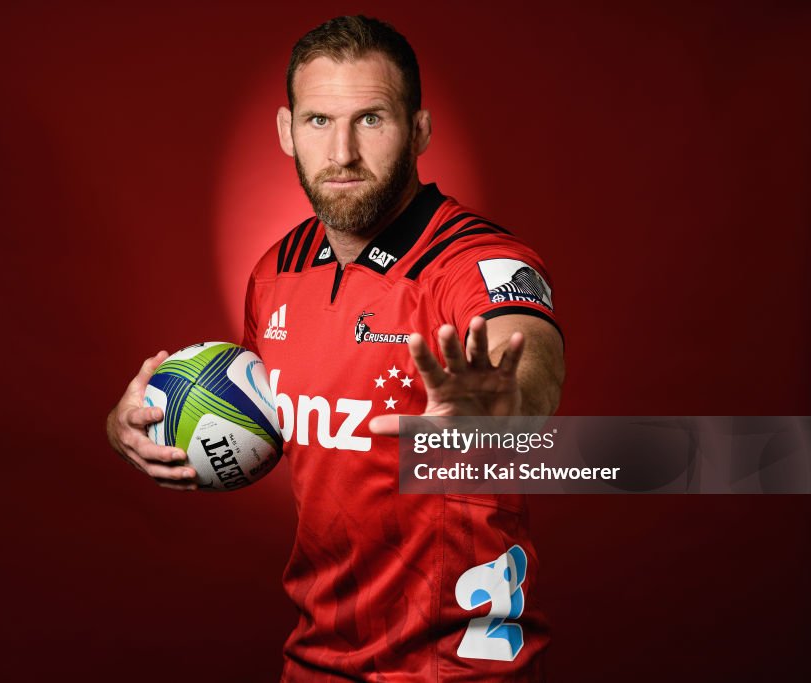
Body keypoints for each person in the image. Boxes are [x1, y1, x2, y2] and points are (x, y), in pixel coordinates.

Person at [107, 15, 564, 682]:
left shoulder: (476, 260)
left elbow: (530, 365)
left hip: (460, 669)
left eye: (371, 119)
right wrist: (132, 424)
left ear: (420, 130)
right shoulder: (275, 271)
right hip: (316, 662)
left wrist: (508, 406)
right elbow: (258, 418)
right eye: (319, 121)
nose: (342, 152)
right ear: (287, 131)